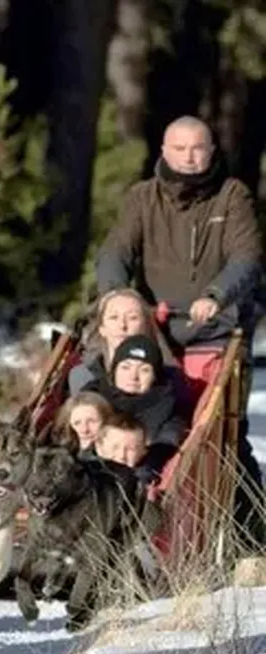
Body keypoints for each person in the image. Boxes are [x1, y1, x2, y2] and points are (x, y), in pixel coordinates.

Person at [95, 115, 264, 536]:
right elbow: (116, 251)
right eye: (180, 148)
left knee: (222, 434)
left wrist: (216, 296)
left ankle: (250, 529)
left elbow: (247, 259)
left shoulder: (232, 196)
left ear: (211, 152)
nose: (189, 157)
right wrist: (115, 295)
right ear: (164, 152)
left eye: (198, 148)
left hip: (214, 330)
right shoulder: (142, 197)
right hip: (153, 332)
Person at [83, 334, 186, 482]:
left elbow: (167, 444)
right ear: (114, 370)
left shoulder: (169, 406)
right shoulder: (93, 398)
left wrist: (145, 468)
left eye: (144, 370)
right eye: (126, 367)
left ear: (155, 376)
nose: (133, 376)